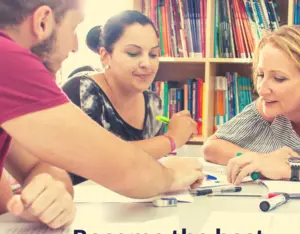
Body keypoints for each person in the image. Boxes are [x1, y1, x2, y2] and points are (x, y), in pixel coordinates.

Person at [0, 0, 204, 229]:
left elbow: (31, 175)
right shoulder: (6, 59)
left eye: (153, 54)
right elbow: (122, 168)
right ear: (42, 22)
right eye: (74, 27)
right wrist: (171, 175)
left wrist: (50, 193)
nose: (76, 46)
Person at [62, 10, 198, 184]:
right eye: (133, 53)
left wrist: (179, 175)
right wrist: (171, 139)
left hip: (132, 204)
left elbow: (145, 166)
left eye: (153, 54)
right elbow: (99, 159)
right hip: (79, 205)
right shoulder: (83, 89)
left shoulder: (153, 103)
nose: (147, 64)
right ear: (105, 56)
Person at [202, 25, 300, 185]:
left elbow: (282, 168)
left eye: (279, 78)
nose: (262, 89)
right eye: (261, 75)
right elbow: (212, 147)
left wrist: (287, 169)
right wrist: (262, 160)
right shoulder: (268, 106)